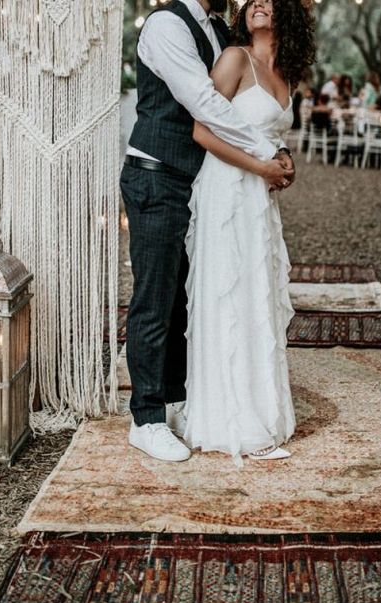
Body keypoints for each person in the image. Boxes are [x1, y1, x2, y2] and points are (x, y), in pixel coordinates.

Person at [121, 0, 296, 462]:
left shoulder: (219, 30)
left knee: (186, 299)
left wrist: (277, 151)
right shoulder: (165, 24)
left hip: (199, 182)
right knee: (155, 300)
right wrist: (265, 156)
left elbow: (240, 102)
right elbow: (203, 103)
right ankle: (146, 418)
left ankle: (177, 401)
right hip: (157, 172)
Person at [184, 0, 315, 460]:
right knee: (230, 292)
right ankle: (228, 419)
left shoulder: (287, 74)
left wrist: (285, 163)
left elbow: (274, 136)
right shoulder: (234, 58)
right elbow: (202, 131)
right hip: (227, 189)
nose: (258, 2)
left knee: (257, 291)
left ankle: (263, 409)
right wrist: (260, 167)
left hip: (260, 198)